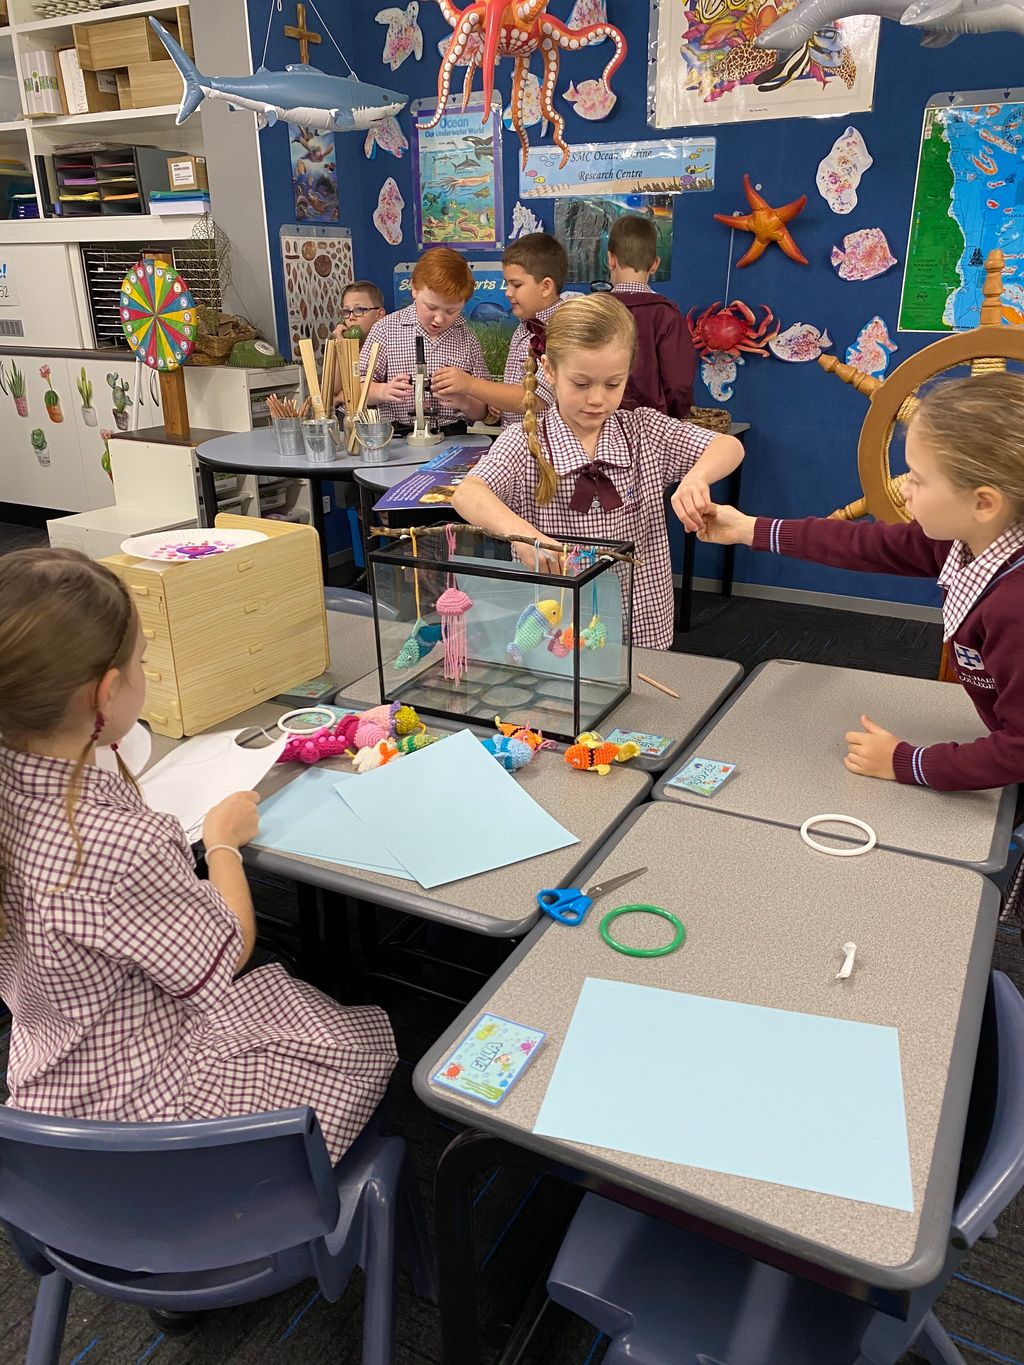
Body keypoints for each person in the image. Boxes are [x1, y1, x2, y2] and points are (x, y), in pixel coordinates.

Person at [0, 550, 396, 1162]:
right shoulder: (124, 847)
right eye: (141, 663)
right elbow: (229, 948)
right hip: (151, 1116)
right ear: (106, 694)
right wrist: (221, 844)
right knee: (357, 1043)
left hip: (49, 1091)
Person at [696, 371, 1024, 795]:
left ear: (984, 503)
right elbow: (862, 545)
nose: (904, 490)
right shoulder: (964, 541)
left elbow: (1019, 749)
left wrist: (907, 761)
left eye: (918, 479)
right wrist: (749, 529)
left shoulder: (1014, 609)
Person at [452, 294, 745, 649]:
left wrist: (696, 477)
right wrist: (524, 536)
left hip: (640, 618)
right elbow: (468, 493)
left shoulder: (644, 431)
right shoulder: (525, 442)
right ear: (549, 371)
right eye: (581, 384)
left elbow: (728, 447)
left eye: (612, 384)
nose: (596, 399)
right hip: (556, 623)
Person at [432, 232, 569, 427]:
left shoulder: (560, 331)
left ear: (546, 287)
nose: (507, 292)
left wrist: (469, 384)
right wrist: (499, 403)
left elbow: (534, 399)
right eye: (507, 284)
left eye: (516, 285)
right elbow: (516, 394)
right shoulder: (524, 327)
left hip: (542, 441)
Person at [359, 247, 489, 435]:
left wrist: (465, 402)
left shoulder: (466, 337)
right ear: (414, 288)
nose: (439, 319)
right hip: (398, 436)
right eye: (431, 307)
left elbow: (482, 410)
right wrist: (382, 391)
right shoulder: (385, 330)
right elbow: (356, 389)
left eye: (451, 311)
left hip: (452, 435)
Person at [607, 214, 696, 419]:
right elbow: (678, 383)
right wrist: (673, 418)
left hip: (598, 423)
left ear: (611, 258)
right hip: (654, 425)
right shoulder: (667, 316)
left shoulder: (593, 311)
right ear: (655, 264)